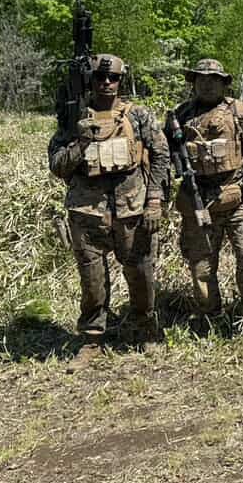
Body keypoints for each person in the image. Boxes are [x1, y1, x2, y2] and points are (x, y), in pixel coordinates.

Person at [47, 54, 169, 361]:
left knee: (141, 273)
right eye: (100, 78)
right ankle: (92, 339)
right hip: (87, 212)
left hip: (132, 209)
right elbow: (58, 166)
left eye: (112, 78)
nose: (106, 83)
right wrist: (81, 143)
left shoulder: (138, 116)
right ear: (90, 81)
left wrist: (155, 199)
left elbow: (161, 157)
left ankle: (146, 329)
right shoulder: (74, 117)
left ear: (120, 80)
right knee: (92, 280)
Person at [167, 59, 243, 317]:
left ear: (224, 83)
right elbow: (163, 156)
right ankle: (209, 316)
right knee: (201, 266)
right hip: (199, 200)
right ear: (194, 83)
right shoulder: (180, 116)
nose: (207, 84)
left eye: (214, 79)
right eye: (202, 79)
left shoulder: (240, 112)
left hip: (237, 197)